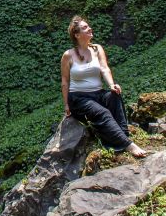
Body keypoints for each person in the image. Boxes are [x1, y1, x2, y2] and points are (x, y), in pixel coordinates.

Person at [61, 15, 147, 158]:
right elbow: (65, 81)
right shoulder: (68, 55)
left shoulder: (97, 49)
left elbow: (104, 68)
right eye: (84, 28)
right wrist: (66, 105)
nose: (89, 29)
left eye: (88, 26)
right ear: (77, 35)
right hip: (79, 98)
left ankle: (122, 135)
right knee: (103, 113)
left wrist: (112, 85)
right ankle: (127, 145)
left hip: (98, 94)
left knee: (115, 96)